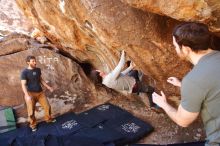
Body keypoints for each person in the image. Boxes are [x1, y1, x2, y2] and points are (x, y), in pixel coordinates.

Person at [152, 22, 220, 146]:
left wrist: (163, 104)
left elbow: (183, 121)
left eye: (175, 46)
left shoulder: (194, 80)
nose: (175, 49)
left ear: (186, 49)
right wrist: (183, 85)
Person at [90, 50, 156, 107]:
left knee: (133, 72)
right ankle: (152, 105)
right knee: (151, 90)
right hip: (134, 85)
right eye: (98, 71)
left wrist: (131, 67)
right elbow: (120, 66)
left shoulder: (105, 81)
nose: (100, 70)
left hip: (130, 86)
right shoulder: (109, 78)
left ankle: (140, 90)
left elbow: (121, 75)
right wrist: (123, 53)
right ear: (100, 74)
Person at [21, 55, 56, 132]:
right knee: (31, 111)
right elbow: (23, 84)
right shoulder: (24, 72)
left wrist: (48, 87)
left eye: (35, 61)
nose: (35, 62)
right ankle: (33, 125)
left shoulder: (38, 70)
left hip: (40, 93)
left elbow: (41, 80)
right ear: (28, 62)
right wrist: (27, 96)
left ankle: (48, 119)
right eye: (33, 61)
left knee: (47, 106)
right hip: (30, 94)